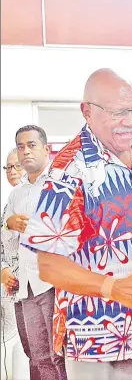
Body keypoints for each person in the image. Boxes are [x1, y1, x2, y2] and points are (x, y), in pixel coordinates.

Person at [20, 69, 132, 380]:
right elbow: (49, 265)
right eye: (119, 112)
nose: (131, 121)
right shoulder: (68, 170)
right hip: (101, 340)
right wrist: (112, 287)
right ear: (88, 112)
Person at [2, 126, 67, 380]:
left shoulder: (60, 184)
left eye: (32, 145)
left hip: (54, 283)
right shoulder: (16, 195)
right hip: (26, 286)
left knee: (58, 355)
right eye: (21, 147)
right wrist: (9, 224)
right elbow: (5, 239)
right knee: (38, 357)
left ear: (46, 149)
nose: (26, 151)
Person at [1, 148, 39, 379]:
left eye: (17, 165)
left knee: (37, 353)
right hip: (10, 290)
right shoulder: (8, 203)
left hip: (35, 288)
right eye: (8, 167)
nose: (12, 171)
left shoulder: (36, 197)